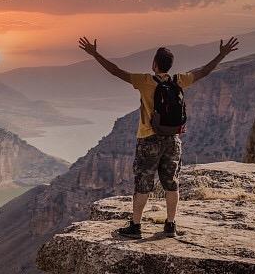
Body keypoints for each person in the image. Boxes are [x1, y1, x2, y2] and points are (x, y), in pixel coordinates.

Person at [77, 35, 239, 238]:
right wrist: (221, 55)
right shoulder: (179, 80)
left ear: (154, 64)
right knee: (171, 182)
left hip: (149, 140)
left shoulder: (145, 81)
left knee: (143, 183)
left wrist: (95, 54)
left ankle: (136, 226)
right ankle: (170, 225)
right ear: (170, 65)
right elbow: (204, 71)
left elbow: (116, 71)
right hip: (173, 140)